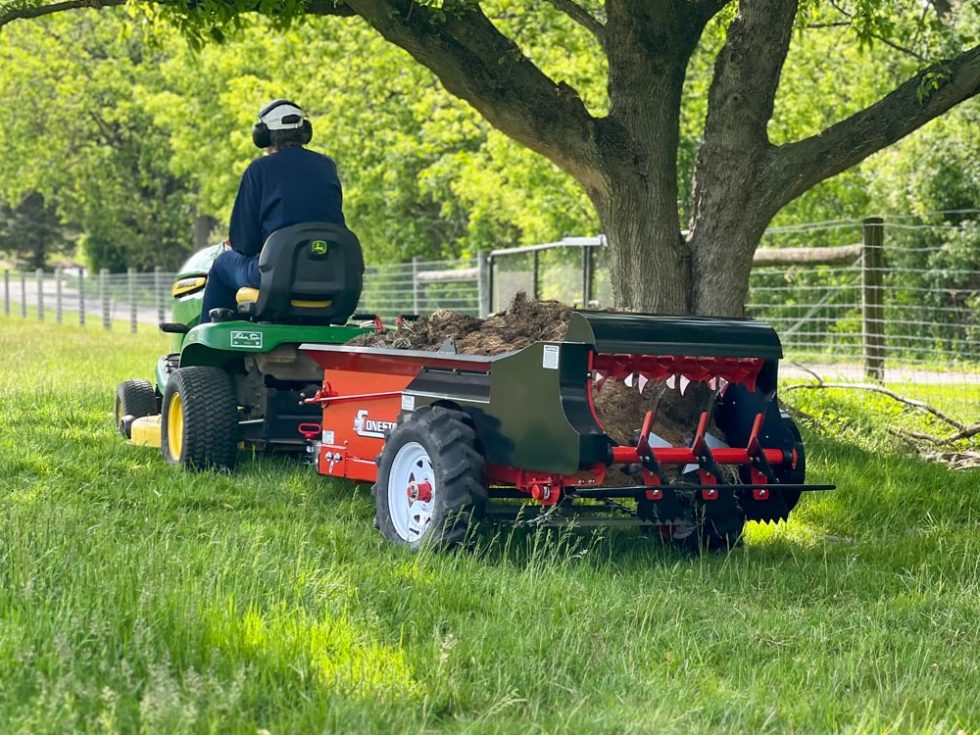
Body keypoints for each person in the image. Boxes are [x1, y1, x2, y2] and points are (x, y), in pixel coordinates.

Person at [199, 99, 346, 322]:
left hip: (275, 275)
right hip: (331, 275)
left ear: (262, 135)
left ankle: (208, 351)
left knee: (221, 265)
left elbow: (243, 243)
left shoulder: (259, 170)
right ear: (304, 131)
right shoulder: (327, 167)